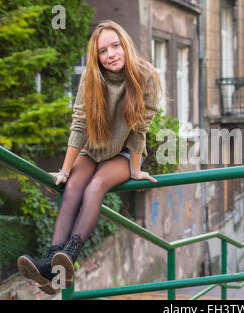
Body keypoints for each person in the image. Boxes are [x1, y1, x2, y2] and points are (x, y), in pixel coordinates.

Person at [17, 20, 161, 295]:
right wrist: (64, 170)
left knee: (95, 187)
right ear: (96, 57)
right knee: (72, 186)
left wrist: (135, 169)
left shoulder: (147, 76)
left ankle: (68, 256)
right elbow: (80, 124)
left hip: (121, 152)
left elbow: (139, 130)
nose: (111, 55)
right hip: (92, 148)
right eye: (103, 51)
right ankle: (52, 265)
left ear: (125, 45)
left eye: (115, 46)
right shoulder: (92, 77)